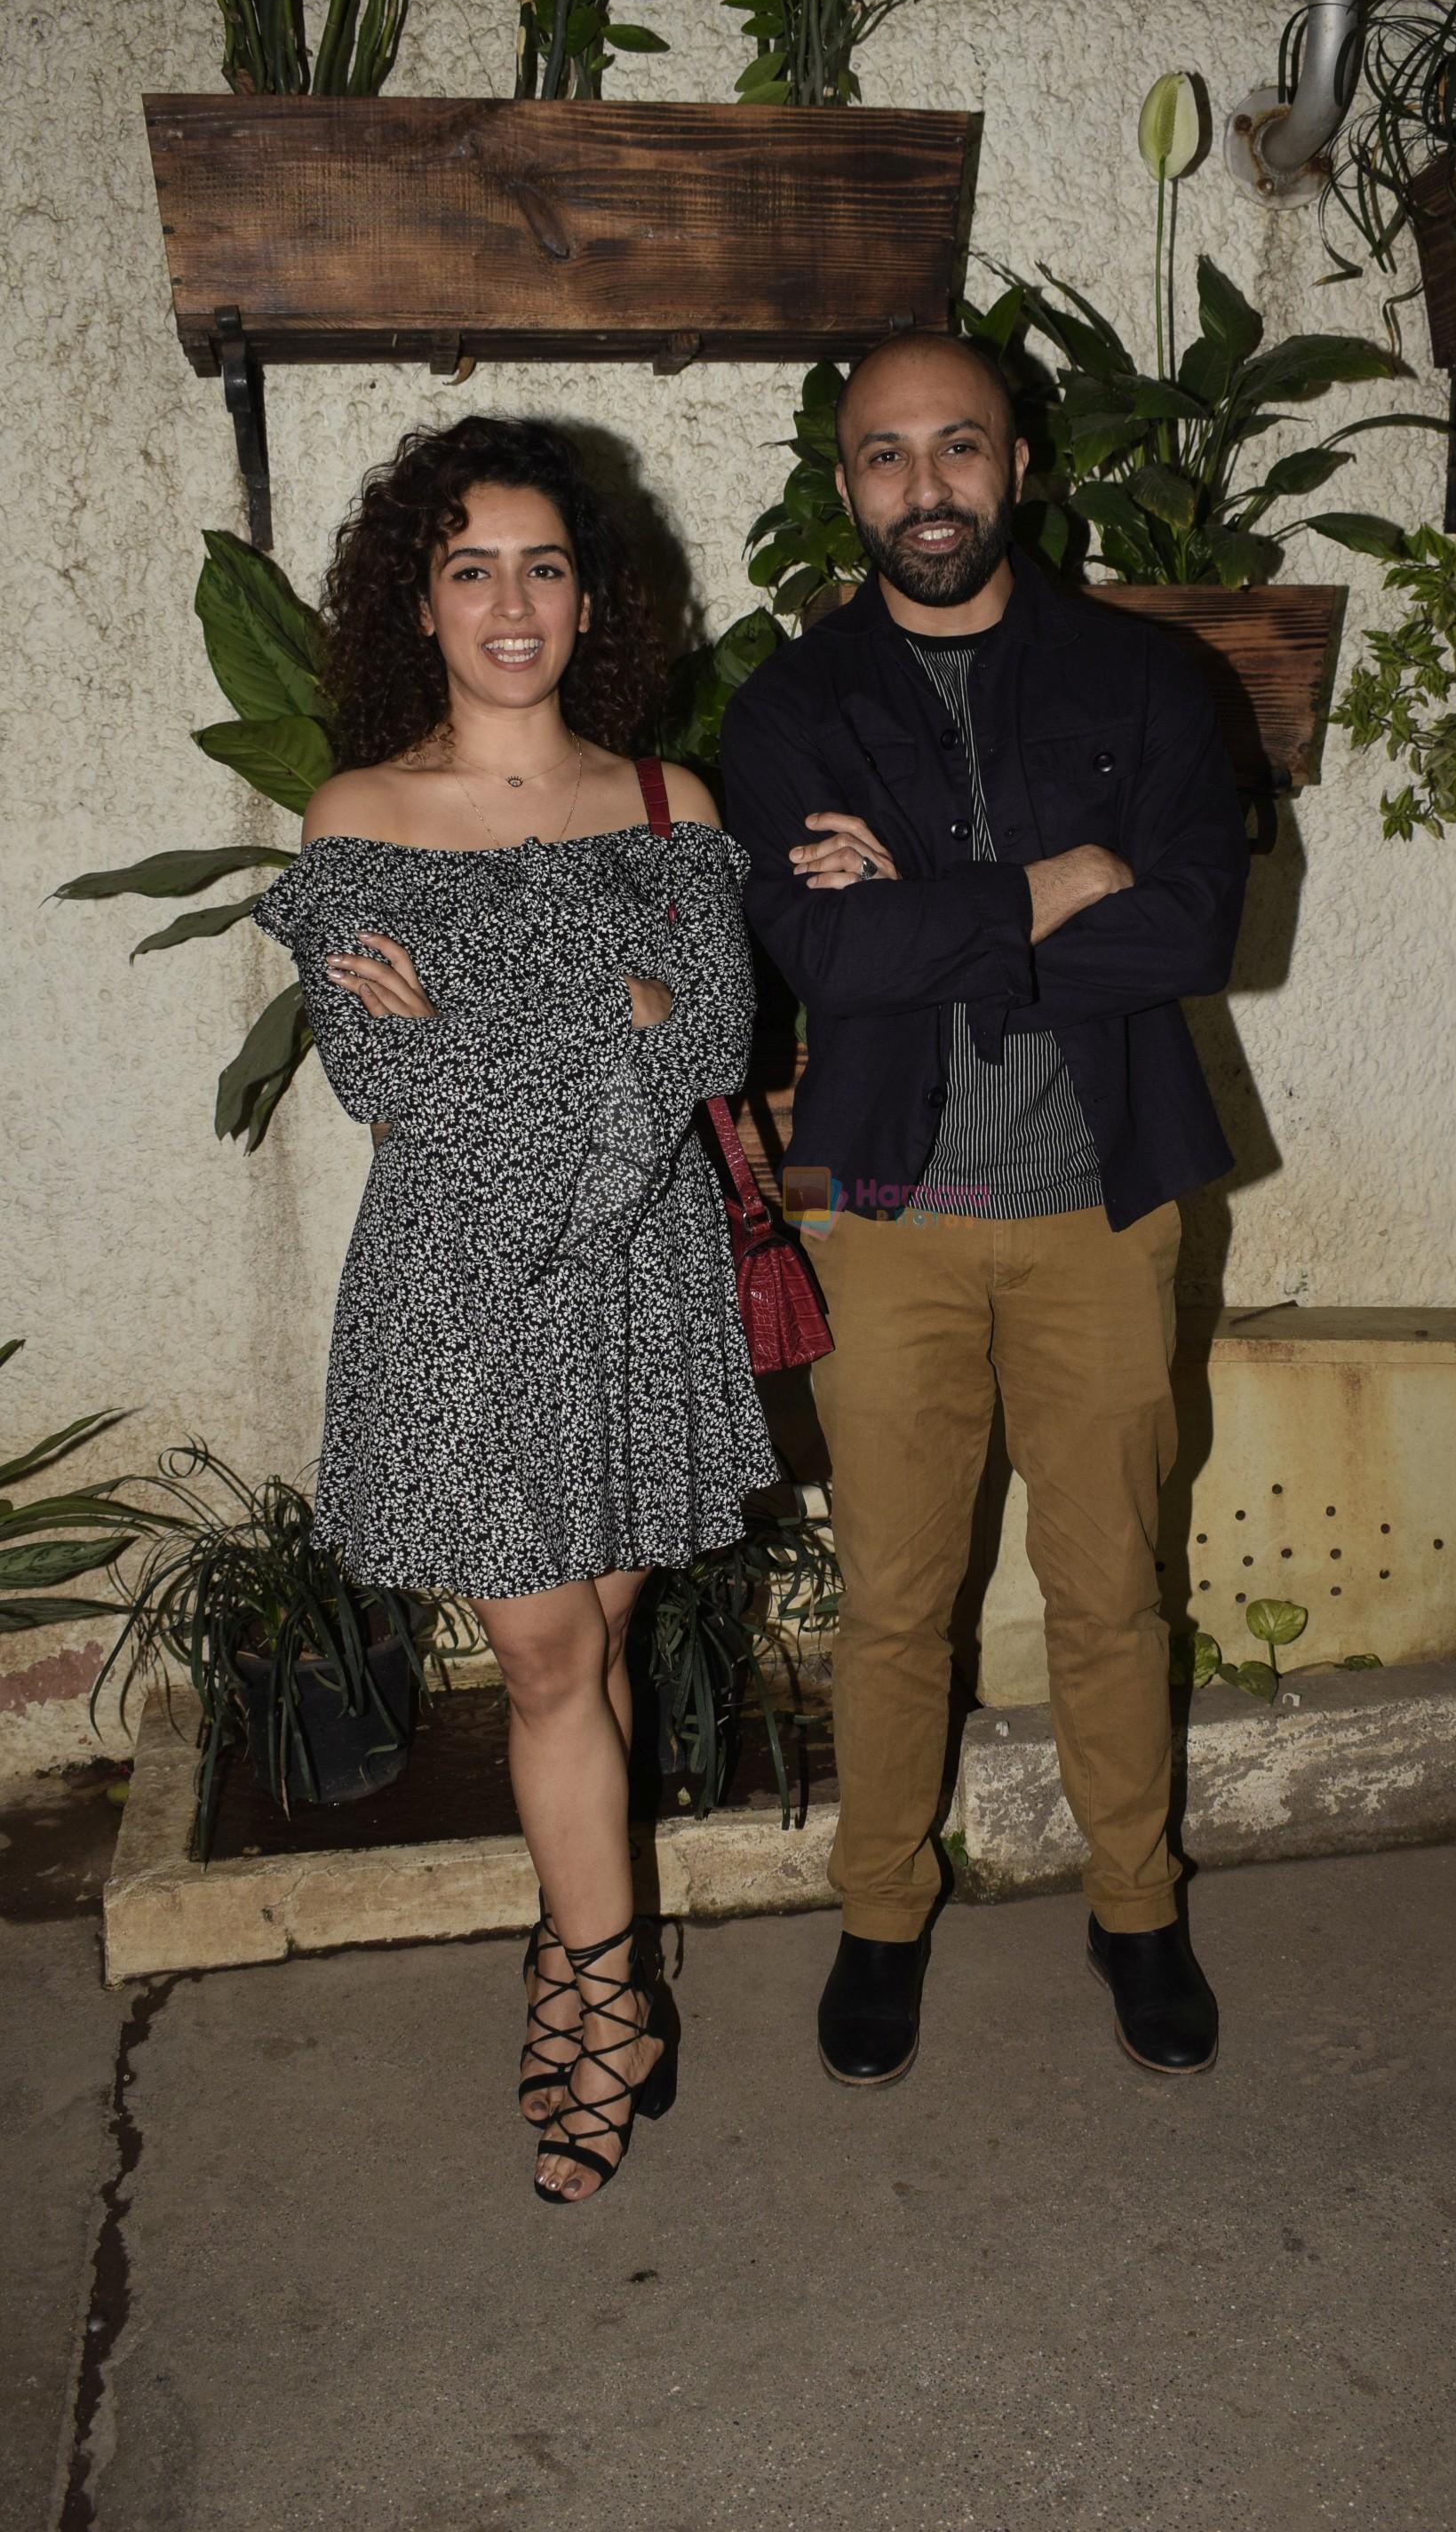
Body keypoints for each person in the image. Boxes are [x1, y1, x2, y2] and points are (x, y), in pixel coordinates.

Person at [251, 415, 777, 2202]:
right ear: (420, 598)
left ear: (587, 596)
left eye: (542, 563)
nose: (510, 598)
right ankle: (617, 1995)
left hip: (642, 1273)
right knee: (549, 1654)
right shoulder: (358, 815)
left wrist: (500, 1005)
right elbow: (382, 1081)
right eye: (469, 563)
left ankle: (569, 1966)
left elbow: (718, 1037)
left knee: (599, 1655)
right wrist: (610, 996)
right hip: (463, 1284)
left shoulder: (665, 803)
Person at [720, 330, 1250, 2087]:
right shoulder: (793, 707)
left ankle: (1136, 1903)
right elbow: (824, 949)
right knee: (894, 1602)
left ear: (1018, 464)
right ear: (848, 481)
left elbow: (1190, 928)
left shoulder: (1151, 683)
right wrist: (1041, 885)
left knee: (1111, 1587)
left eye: (959, 447)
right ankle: (879, 1915)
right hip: (885, 1216)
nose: (925, 486)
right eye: (886, 454)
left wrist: (935, 906)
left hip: (1106, 1210)